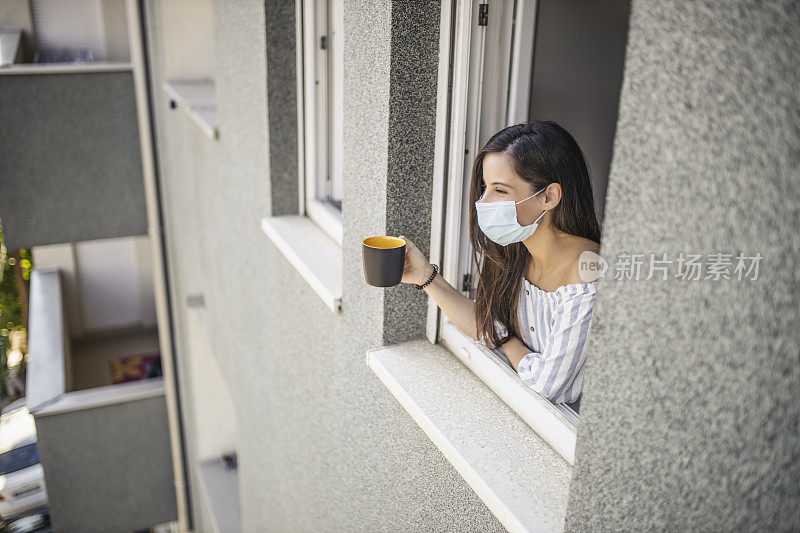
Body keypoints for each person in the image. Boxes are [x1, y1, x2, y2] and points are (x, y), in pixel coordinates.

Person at [398, 121, 601, 409]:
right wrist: (425, 276)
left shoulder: (587, 274)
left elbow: (547, 385)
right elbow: (487, 324)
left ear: (549, 196)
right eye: (485, 187)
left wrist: (506, 341)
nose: (484, 201)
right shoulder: (517, 250)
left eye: (501, 191)